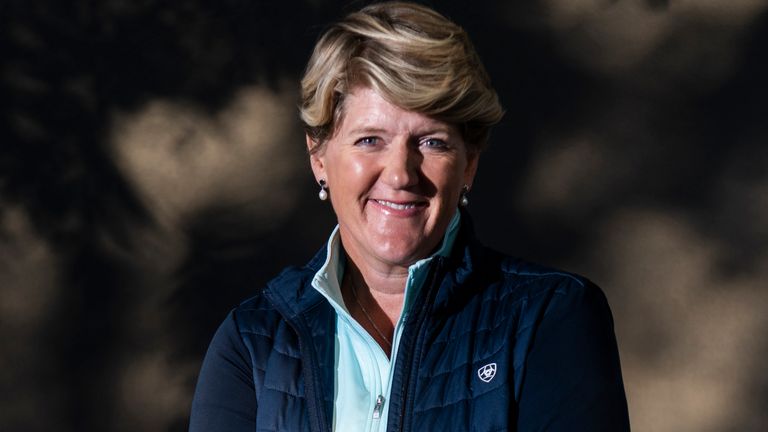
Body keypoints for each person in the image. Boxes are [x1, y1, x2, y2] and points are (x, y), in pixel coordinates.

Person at [188, 2, 630, 431]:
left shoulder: (549, 318)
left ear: (469, 163)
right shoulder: (254, 341)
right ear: (318, 156)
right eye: (369, 140)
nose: (400, 174)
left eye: (432, 142)